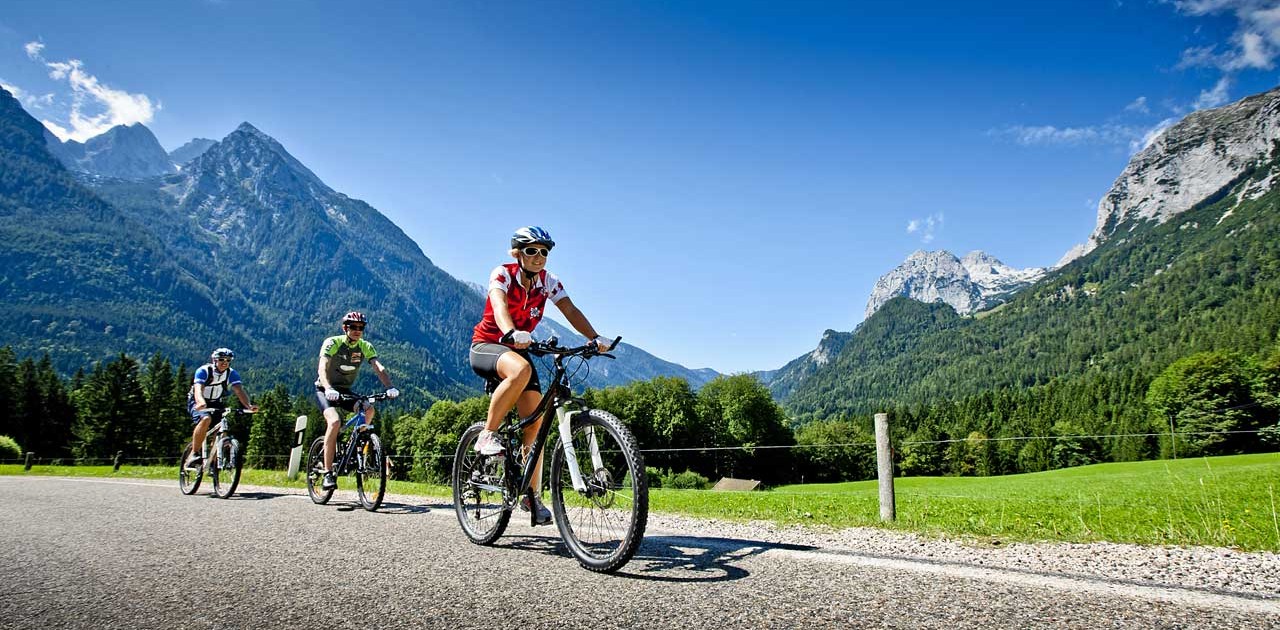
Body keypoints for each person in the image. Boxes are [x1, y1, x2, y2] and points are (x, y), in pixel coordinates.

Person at [469, 226, 613, 525]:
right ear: (517, 253)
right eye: (531, 250)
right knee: (520, 369)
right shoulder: (503, 274)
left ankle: (530, 496)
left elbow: (570, 310)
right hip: (488, 346)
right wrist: (510, 331)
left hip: (520, 350)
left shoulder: (549, 282)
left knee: (533, 428)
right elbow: (498, 304)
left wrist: (595, 337)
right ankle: (486, 435)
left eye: (544, 252)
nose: (538, 257)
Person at [315, 311, 399, 491]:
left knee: (368, 409)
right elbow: (322, 367)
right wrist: (328, 388)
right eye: (353, 327)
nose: (357, 330)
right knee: (335, 422)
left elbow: (378, 366)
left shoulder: (365, 346)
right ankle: (328, 473)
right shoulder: (333, 343)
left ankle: (358, 443)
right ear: (345, 328)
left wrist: (389, 387)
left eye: (361, 327)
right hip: (325, 389)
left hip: (345, 391)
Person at [186, 348, 258, 467]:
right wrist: (200, 403)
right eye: (221, 359)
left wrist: (248, 406)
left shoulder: (231, 373)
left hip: (215, 402)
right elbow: (198, 389)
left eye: (228, 360)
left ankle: (213, 464)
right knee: (206, 419)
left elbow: (239, 390)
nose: (225, 362)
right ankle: (193, 454)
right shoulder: (204, 371)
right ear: (214, 360)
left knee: (221, 429)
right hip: (197, 401)